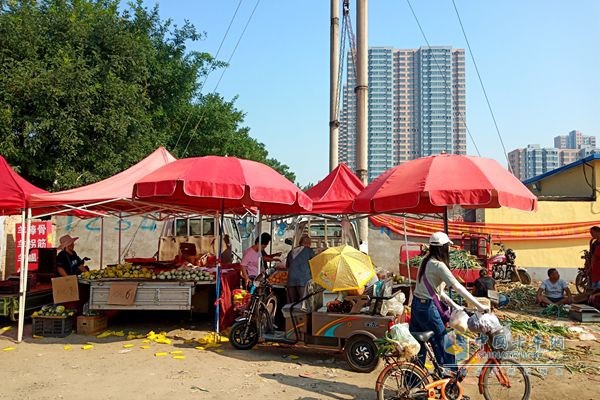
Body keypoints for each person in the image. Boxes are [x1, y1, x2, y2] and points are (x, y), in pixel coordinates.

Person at [410, 232, 489, 369]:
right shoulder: (438, 265)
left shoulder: (425, 261)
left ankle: (412, 381)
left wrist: (454, 304)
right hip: (427, 308)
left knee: (420, 346)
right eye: (447, 247)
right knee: (444, 341)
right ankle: (450, 379)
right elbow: (457, 287)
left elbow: (437, 292)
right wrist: (479, 306)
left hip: (417, 306)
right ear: (443, 248)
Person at [286, 235, 315, 303]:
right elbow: (315, 264)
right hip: (303, 281)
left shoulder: (291, 251)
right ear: (308, 243)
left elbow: (287, 266)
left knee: (292, 304)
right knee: (303, 303)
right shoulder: (309, 251)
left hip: (291, 280)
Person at [589, 226, 600, 291]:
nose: (591, 235)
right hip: (596, 269)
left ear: (598, 232)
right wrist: (591, 267)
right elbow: (593, 257)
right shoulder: (594, 244)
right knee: (595, 289)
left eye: (592, 233)